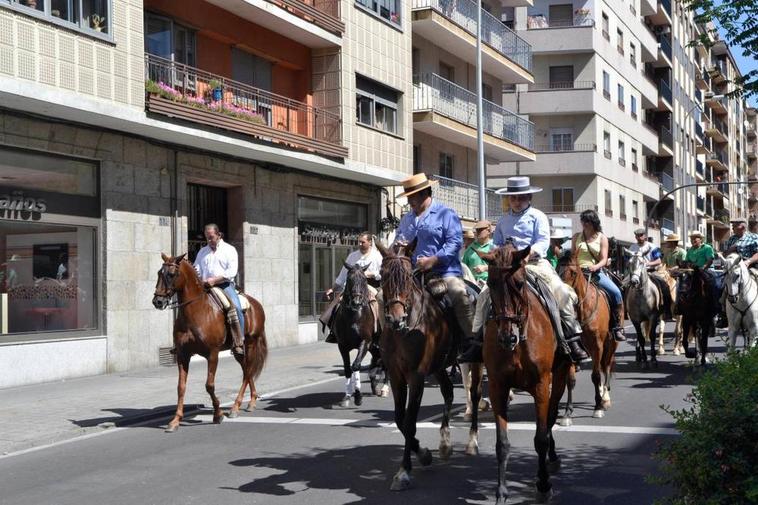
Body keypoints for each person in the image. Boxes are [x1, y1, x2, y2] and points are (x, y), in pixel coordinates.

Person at [460, 176, 589, 363]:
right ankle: (477, 341)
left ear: (529, 197)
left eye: (520, 197)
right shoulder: (503, 221)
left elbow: (543, 241)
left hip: (534, 264)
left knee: (561, 292)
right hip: (508, 268)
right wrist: (496, 256)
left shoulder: (538, 216)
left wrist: (529, 254)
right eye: (513, 198)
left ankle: (571, 337)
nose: (516, 201)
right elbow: (495, 245)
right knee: (483, 296)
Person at [391, 172, 476, 358]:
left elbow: (454, 243)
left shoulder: (446, 214)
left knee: (459, 294)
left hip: (444, 271)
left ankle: (471, 341)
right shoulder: (407, 219)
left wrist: (433, 260)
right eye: (407, 197)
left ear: (424, 194)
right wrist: (398, 248)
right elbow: (397, 241)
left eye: (411, 197)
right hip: (412, 273)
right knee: (384, 296)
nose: (409, 201)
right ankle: (385, 343)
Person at [572, 209, 626, 342]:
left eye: (587, 221)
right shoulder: (576, 236)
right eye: (583, 221)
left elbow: (603, 258)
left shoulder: (602, 238)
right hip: (577, 272)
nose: (584, 224)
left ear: (593, 222)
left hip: (595, 272)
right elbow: (573, 256)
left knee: (616, 292)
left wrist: (595, 266)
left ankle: (617, 326)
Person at [320, 232, 382, 343]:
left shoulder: (377, 256)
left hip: (370, 285)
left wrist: (371, 274)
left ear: (369, 242)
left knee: (378, 302)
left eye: (362, 242)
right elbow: (342, 275)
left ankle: (380, 332)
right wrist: (333, 289)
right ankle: (334, 332)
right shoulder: (352, 256)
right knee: (337, 303)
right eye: (359, 242)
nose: (360, 244)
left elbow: (382, 273)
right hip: (353, 287)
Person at [193, 223, 245, 356]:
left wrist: (214, 280)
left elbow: (231, 271)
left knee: (236, 307)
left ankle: (239, 341)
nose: (209, 240)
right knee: (188, 305)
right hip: (204, 286)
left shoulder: (229, 250)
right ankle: (185, 341)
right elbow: (197, 269)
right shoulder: (202, 251)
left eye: (211, 237)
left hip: (224, 285)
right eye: (207, 237)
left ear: (218, 235)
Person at [718, 216, 758, 325]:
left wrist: (749, 261)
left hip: (751, 267)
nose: (732, 228)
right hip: (735, 269)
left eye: (734, 226)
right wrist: (728, 251)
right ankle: (723, 314)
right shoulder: (732, 239)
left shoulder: (754, 237)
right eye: (732, 226)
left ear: (742, 226)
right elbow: (726, 254)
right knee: (723, 286)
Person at [628, 228, 673, 320]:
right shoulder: (632, 248)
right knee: (623, 286)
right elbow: (627, 260)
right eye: (637, 236)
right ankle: (626, 309)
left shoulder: (652, 247)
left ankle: (667, 310)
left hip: (651, 271)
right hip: (636, 273)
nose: (639, 237)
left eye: (641, 235)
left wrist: (646, 264)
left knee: (665, 285)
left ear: (645, 236)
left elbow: (658, 260)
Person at [462, 220, 494, 286]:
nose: (478, 232)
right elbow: (464, 267)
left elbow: (500, 267)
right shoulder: (470, 248)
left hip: (491, 284)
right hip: (473, 284)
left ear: (488, 231)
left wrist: (485, 268)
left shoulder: (494, 247)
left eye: (481, 229)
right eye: (477, 230)